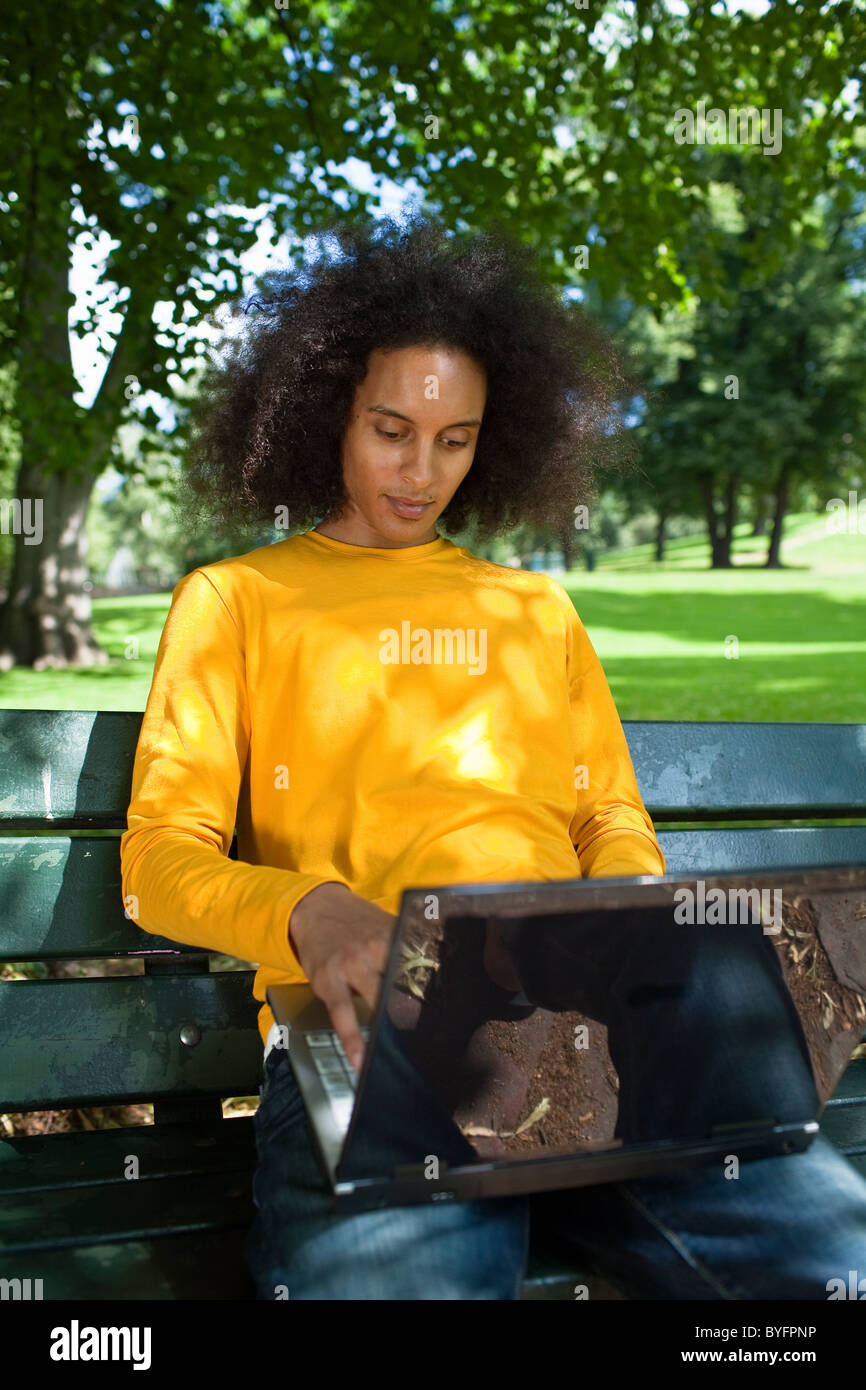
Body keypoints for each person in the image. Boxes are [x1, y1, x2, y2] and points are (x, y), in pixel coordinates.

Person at [120, 214, 866, 1300]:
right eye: (389, 428)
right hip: (390, 1064)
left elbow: (608, 819)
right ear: (329, 409)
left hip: (602, 1051)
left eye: (455, 438)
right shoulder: (236, 600)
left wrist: (618, 931)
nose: (420, 470)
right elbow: (156, 861)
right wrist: (312, 914)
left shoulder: (533, 608)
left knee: (833, 1274)